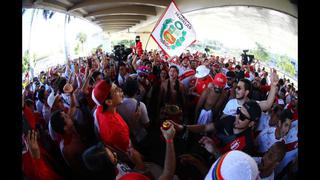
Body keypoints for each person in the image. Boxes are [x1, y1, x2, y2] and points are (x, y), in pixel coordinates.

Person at [82, 121, 177, 180]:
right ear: (107, 170)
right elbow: (167, 175)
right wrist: (169, 139)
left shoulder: (111, 165)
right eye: (114, 158)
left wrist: (133, 160)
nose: (116, 154)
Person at [173, 100, 262, 155]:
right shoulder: (230, 119)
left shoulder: (248, 144)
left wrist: (215, 151)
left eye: (242, 117)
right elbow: (205, 127)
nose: (237, 117)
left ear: (251, 124)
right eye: (238, 111)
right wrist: (184, 127)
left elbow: (229, 170)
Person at [92, 79, 130, 152]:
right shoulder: (119, 129)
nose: (121, 90)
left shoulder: (97, 111)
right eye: (116, 90)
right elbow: (129, 153)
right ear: (109, 102)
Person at [117, 79, 150, 149]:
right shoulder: (140, 105)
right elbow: (146, 124)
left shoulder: (117, 105)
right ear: (136, 91)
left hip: (126, 137)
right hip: (140, 136)